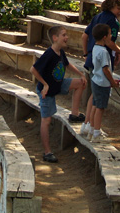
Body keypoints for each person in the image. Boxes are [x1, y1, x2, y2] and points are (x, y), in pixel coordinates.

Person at [30, 25, 87, 163]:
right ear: (55, 38)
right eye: (64, 35)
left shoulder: (60, 52)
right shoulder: (49, 54)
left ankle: (74, 114)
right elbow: (33, 69)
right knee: (46, 120)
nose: (67, 37)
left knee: (80, 83)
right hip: (47, 91)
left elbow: (67, 64)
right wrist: (45, 84)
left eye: (66, 35)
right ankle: (47, 152)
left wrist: (81, 74)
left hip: (58, 84)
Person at [80, 0, 120, 136]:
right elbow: (109, 42)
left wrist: (86, 54)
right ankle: (93, 128)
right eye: (118, 8)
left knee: (94, 93)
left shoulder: (98, 16)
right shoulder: (112, 22)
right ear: (111, 5)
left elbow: (84, 36)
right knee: (99, 97)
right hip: (103, 61)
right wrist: (119, 51)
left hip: (92, 58)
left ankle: (87, 124)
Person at [81, 23, 120, 142]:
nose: (111, 36)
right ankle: (96, 133)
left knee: (95, 105)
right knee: (100, 108)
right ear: (105, 37)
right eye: (109, 34)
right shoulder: (104, 52)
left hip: (96, 80)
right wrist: (112, 82)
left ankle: (91, 130)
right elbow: (105, 69)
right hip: (102, 83)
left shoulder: (95, 48)